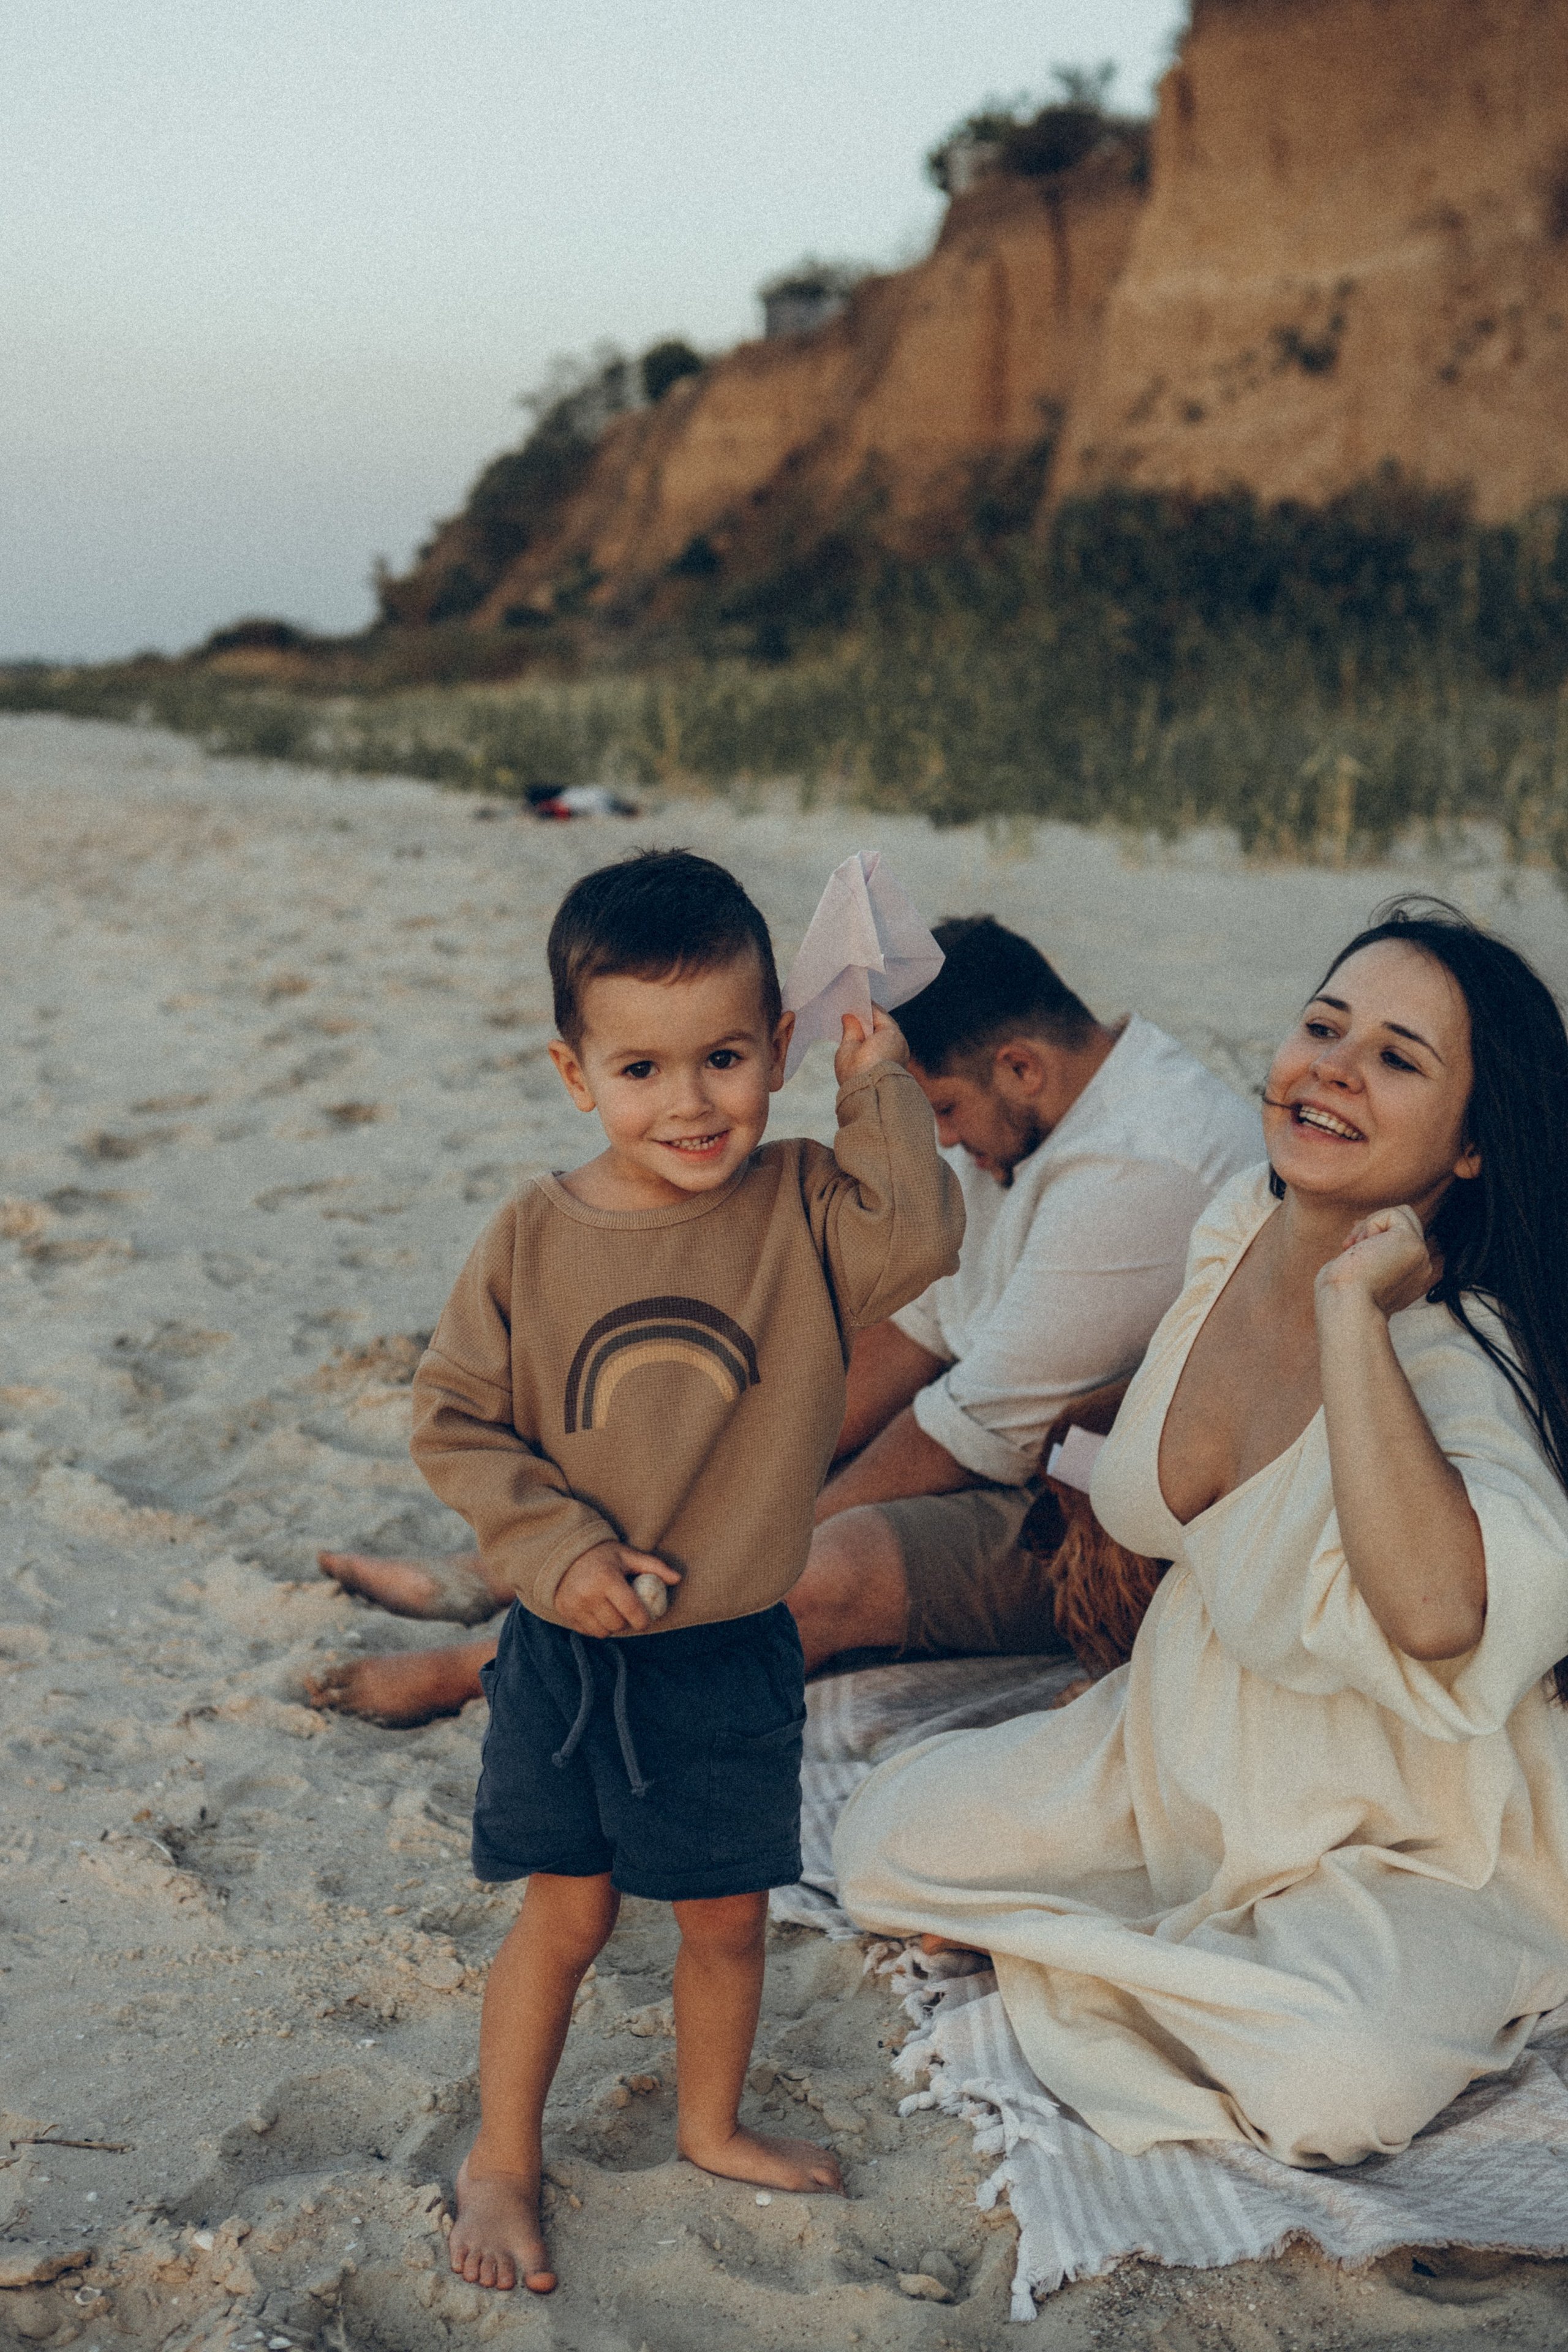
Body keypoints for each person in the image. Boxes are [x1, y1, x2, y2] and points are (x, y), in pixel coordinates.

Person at [834, 900, 1568, 2169]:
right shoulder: (1241, 1215)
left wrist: (1353, 1312)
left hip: (1403, 1830)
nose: (1331, 1067)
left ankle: (1169, 1960)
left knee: (1329, 2081)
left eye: (1397, 1059)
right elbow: (1186, 1462)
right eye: (1322, 1026)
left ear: (1468, 1147)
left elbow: (1447, 1612)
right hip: (1174, 1752)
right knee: (881, 1845)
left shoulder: (1464, 1351)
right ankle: (1167, 1946)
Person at [412, 849, 962, 2293]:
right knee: (568, 1914)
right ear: (574, 1072)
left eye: (723, 1057)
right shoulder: (534, 1236)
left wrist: (874, 1079)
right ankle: (502, 2161)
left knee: (725, 1922)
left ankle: (709, 2124)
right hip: (568, 1652)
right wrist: (557, 1552)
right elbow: (453, 1420)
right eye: (642, 1068)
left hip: (724, 1654)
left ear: (772, 1046)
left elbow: (918, 1233)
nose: (691, 1101)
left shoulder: (799, 1207)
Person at [307, 916, 1259, 1717]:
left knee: (804, 1577)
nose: (946, 1142)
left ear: (1020, 1067)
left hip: (1090, 1515)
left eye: (947, 1112)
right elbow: (912, 1335)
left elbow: (970, 1436)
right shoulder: (1038, 1113)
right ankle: (506, 1571)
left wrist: (754, 1535)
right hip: (999, 1437)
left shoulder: (1140, 1166)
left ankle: (480, 1675)